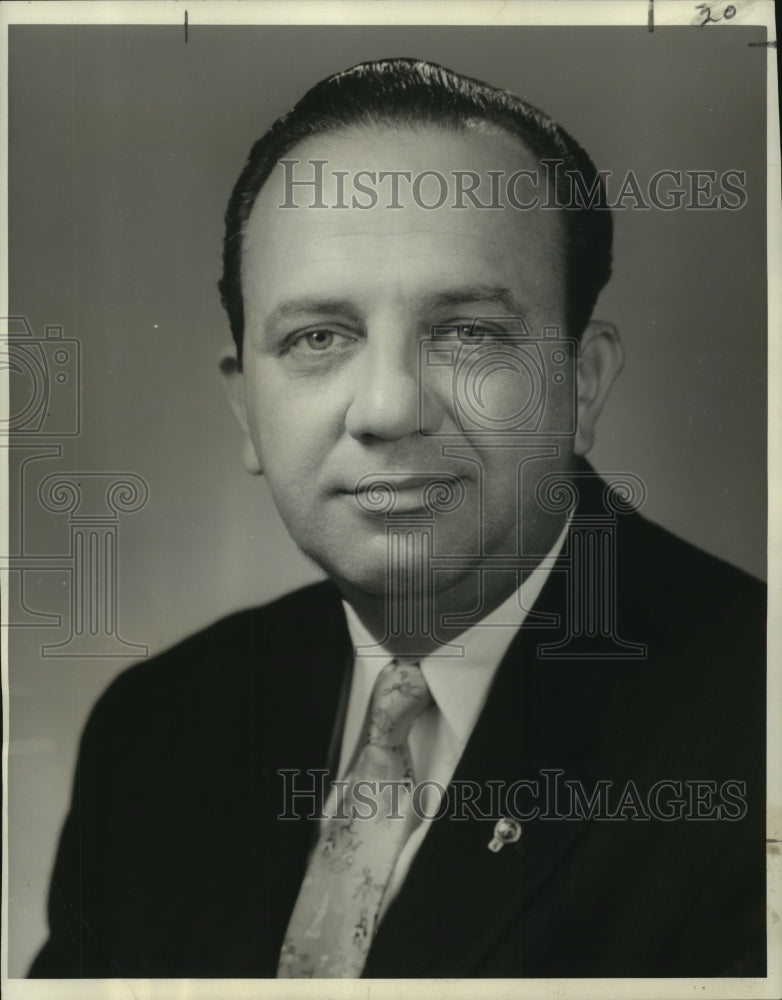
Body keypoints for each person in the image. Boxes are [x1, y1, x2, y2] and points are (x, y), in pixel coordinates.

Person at [29, 58, 765, 979]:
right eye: (318, 338)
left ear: (582, 384)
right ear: (244, 410)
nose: (386, 407)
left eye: (466, 332)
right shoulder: (159, 733)